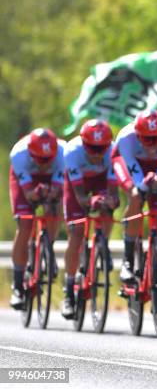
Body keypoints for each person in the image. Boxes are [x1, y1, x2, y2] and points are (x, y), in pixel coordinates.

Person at [63, 119, 119, 319]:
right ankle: (68, 290)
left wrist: (111, 201)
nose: (96, 154)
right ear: (83, 143)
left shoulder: (113, 152)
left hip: (100, 181)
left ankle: (103, 244)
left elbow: (113, 191)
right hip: (78, 186)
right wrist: (90, 201)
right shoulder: (72, 151)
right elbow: (80, 197)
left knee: (108, 206)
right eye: (92, 148)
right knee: (76, 233)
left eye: (101, 148)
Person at [9, 128, 64, 310]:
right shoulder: (19, 155)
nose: (44, 163)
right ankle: (17, 285)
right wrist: (37, 193)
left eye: (48, 159)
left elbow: (58, 189)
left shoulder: (63, 153)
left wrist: (52, 192)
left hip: (50, 178)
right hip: (25, 180)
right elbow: (29, 194)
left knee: (55, 208)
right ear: (31, 153)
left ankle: (48, 246)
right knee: (25, 225)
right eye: (40, 160)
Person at [112, 109, 157, 283]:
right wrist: (143, 186)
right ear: (137, 134)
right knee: (136, 195)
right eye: (147, 139)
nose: (152, 145)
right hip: (129, 163)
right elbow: (136, 177)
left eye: (156, 139)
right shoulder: (126, 138)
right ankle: (128, 260)